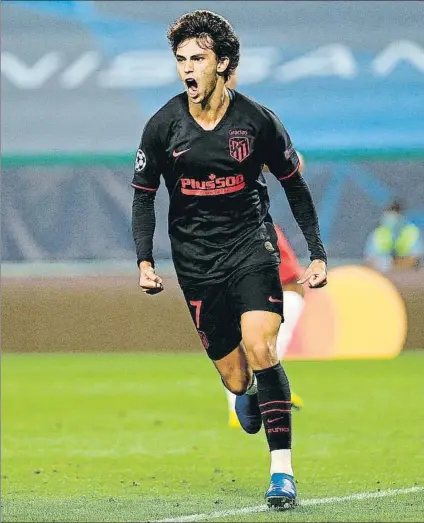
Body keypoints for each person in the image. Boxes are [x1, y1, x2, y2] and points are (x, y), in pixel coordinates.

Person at [131, 10, 327, 509]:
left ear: (223, 64)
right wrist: (144, 262)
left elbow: (294, 187)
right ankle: (245, 393)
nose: (187, 69)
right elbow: (142, 195)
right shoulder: (163, 126)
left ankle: (281, 472)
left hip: (250, 247)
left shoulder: (257, 122)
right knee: (238, 377)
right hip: (196, 263)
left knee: (263, 348)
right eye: (181, 60)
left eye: (198, 58)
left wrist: (317, 253)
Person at [226, 223, 305, 428]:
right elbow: (288, 274)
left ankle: (266, 394)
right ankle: (263, 396)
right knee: (259, 349)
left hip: (247, 294)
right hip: (269, 297)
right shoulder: (261, 226)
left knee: (247, 350)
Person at [364, 200, 423, 273]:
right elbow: (370, 260)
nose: (390, 218)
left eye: (394, 215)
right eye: (388, 214)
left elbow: (414, 259)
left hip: (407, 276)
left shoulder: (412, 233)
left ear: (401, 216)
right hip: (382, 277)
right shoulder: (378, 233)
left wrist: (392, 266)